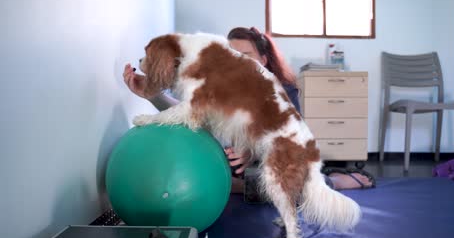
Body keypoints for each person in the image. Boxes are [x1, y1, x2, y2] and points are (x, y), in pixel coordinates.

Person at [122, 27, 374, 193]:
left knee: (293, 188)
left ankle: (337, 181)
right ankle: (237, 185)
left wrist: (251, 152)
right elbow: (191, 115)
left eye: (246, 54)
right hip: (222, 165)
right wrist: (153, 95)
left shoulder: (281, 90)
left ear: (263, 60)